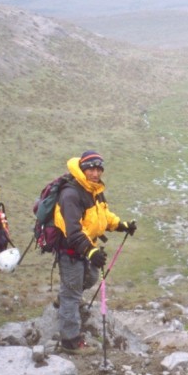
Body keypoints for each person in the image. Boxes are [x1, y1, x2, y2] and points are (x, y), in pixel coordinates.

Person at [53, 150, 136, 354]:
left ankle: (64, 297)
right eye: (91, 168)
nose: (96, 173)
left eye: (99, 169)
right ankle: (70, 342)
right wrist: (90, 251)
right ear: (82, 169)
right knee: (72, 295)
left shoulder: (95, 190)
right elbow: (72, 230)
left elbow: (102, 214)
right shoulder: (71, 194)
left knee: (90, 278)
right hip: (71, 250)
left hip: (86, 247)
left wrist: (120, 225)